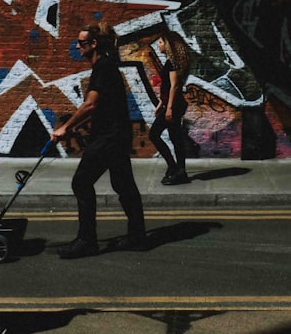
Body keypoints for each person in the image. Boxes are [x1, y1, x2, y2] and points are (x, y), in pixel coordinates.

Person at [50, 22, 147, 259]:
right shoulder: (105, 67)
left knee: (81, 183)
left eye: (81, 42)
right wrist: (73, 128)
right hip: (116, 136)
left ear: (93, 44)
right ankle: (137, 236)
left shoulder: (103, 67)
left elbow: (90, 104)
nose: (77, 45)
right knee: (124, 186)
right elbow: (99, 109)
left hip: (109, 138)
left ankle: (86, 241)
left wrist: (65, 127)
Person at [148, 31, 193, 185]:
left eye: (160, 42)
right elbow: (167, 88)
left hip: (174, 106)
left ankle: (174, 167)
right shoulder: (172, 61)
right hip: (171, 104)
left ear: (168, 44)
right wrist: (161, 105)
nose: (158, 45)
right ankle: (180, 171)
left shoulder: (172, 63)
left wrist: (169, 109)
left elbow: (174, 86)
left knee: (154, 134)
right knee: (175, 138)